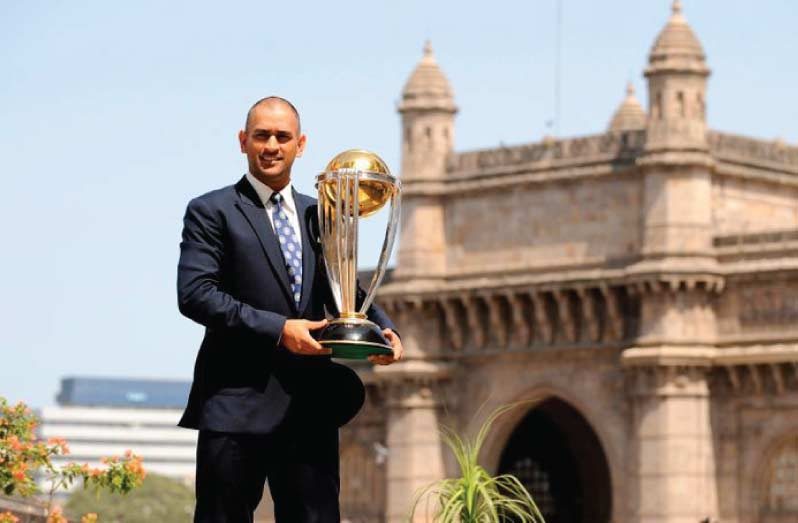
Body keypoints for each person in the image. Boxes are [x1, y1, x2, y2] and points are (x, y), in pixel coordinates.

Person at [176, 96, 403, 523]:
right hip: (235, 406)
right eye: (261, 136)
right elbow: (195, 294)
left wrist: (382, 328)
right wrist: (281, 329)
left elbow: (342, 284)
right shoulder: (211, 211)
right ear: (243, 142)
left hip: (309, 410)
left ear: (301, 145)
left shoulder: (321, 212)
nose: (271, 146)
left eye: (282, 137)